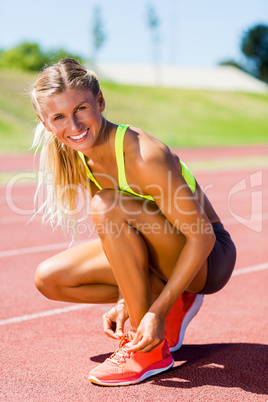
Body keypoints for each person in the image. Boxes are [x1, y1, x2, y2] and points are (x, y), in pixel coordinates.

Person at [30, 58, 236, 386]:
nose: (73, 125)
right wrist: (127, 297)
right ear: (44, 121)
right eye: (58, 117)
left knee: (105, 206)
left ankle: (150, 351)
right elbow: (128, 235)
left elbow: (202, 237)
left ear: (100, 102)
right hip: (164, 249)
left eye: (81, 109)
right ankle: (168, 299)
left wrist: (153, 312)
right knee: (49, 279)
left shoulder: (143, 154)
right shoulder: (77, 153)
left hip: (209, 259)